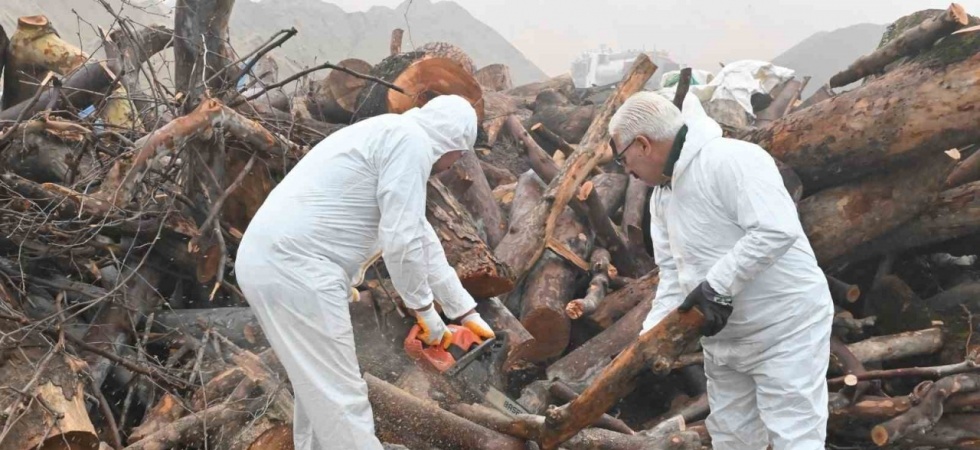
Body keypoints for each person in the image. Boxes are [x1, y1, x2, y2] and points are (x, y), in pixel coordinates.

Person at [235, 95, 496, 450]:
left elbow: (419, 235)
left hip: (274, 262)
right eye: (457, 158)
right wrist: (424, 311)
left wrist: (465, 310)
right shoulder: (411, 143)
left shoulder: (393, 133)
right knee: (342, 397)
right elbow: (400, 240)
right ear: (455, 146)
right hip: (297, 269)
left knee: (319, 396)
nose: (451, 166)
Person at [608, 92, 834, 450]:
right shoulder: (662, 197)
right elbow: (672, 274)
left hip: (785, 326)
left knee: (793, 433)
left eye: (624, 159)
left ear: (643, 144)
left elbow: (775, 229)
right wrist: (649, 339)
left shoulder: (731, 160)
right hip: (725, 337)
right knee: (732, 436)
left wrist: (716, 286)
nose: (627, 171)